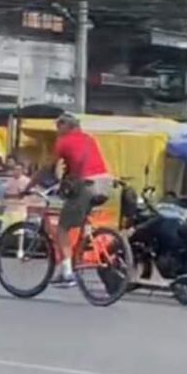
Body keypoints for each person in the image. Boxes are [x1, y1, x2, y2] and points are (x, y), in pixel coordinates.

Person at [24, 113, 113, 287]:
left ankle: (67, 272)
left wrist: (28, 186)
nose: (57, 129)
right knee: (81, 220)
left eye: (59, 125)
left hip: (86, 185)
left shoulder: (64, 142)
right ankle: (79, 254)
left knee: (62, 229)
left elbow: (47, 167)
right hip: (105, 184)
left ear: (68, 126)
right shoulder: (90, 139)